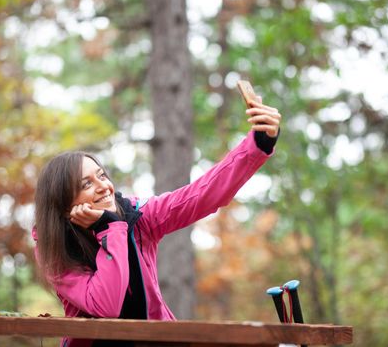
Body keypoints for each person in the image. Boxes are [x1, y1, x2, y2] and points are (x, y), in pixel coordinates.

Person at [32, 97, 281, 347]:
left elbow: (201, 195)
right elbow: (105, 305)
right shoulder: (54, 247)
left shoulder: (139, 216)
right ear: (64, 206)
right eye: (87, 184)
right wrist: (109, 228)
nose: (104, 187)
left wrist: (258, 143)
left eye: (102, 175)